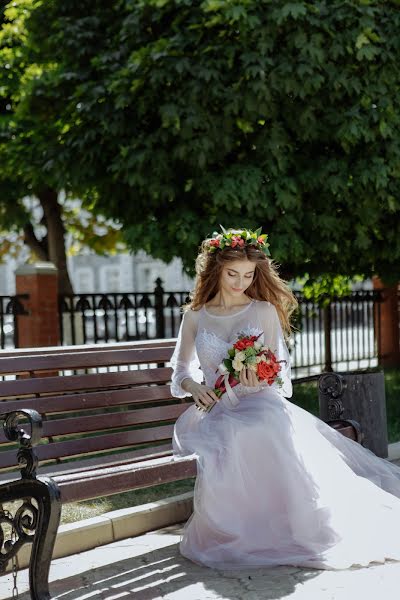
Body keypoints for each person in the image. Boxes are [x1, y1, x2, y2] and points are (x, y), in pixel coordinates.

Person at [170, 226, 400, 571]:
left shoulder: (262, 310)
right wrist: (195, 387)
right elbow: (180, 372)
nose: (240, 282)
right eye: (233, 273)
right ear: (214, 269)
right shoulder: (195, 316)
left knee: (260, 424)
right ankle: (237, 530)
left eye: (249, 275)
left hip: (259, 401)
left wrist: (257, 374)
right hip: (217, 407)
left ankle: (287, 527)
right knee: (231, 433)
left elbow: (278, 373)